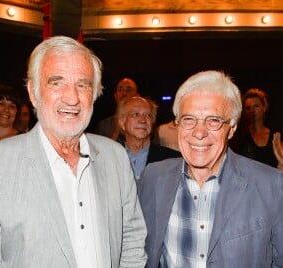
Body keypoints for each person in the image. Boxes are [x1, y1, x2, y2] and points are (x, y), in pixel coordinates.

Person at [0, 36, 147, 267]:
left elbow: (131, 239)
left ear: (94, 95)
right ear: (33, 92)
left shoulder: (115, 157)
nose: (72, 98)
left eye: (83, 85)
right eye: (57, 82)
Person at [138, 70, 283, 267]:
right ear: (178, 124)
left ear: (231, 128)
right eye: (189, 119)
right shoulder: (152, 178)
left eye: (214, 120)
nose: (199, 132)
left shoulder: (272, 185)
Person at [117, 96, 181, 181]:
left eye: (148, 115)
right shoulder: (111, 159)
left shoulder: (173, 159)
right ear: (122, 122)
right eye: (135, 114)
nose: (143, 120)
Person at [230, 88, 281, 168]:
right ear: (244, 111)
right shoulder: (239, 137)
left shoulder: (276, 136)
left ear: (264, 107)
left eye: (256, 106)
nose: (252, 111)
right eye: (248, 108)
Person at [94, 77, 139, 141]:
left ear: (137, 96)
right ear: (115, 96)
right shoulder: (103, 125)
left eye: (128, 90)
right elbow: (100, 149)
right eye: (120, 90)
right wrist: (116, 132)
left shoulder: (143, 122)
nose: (124, 93)